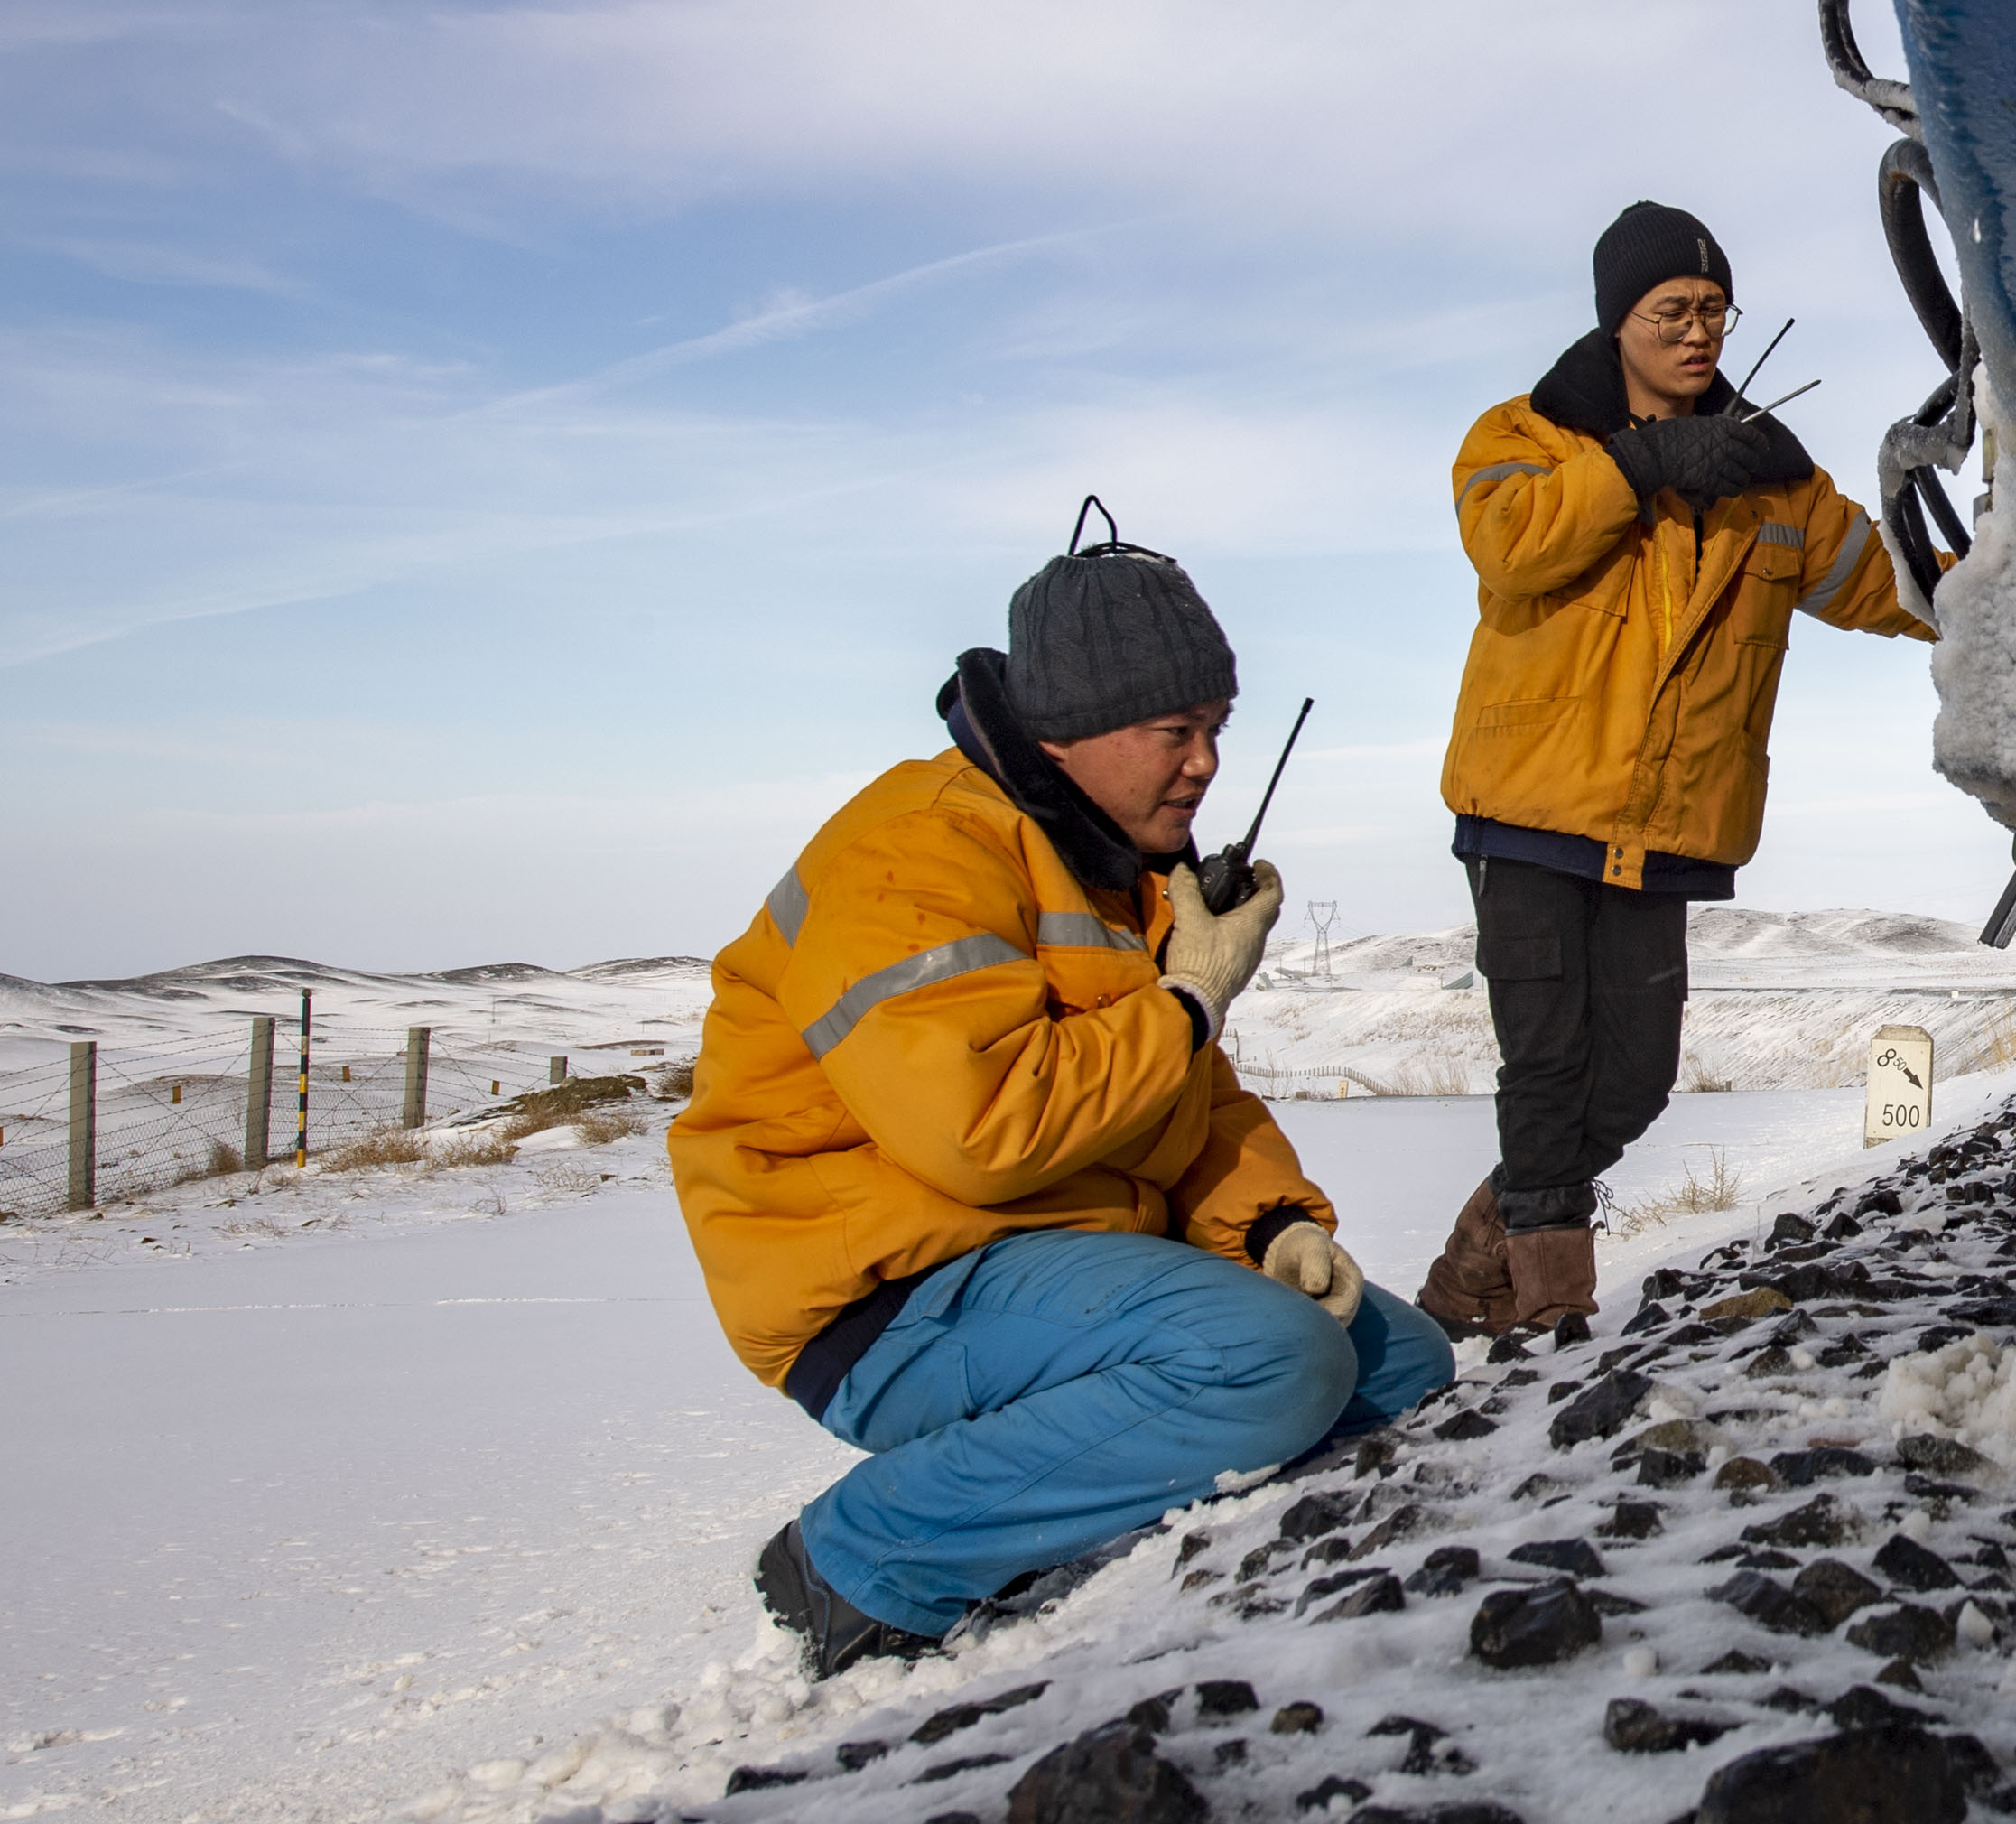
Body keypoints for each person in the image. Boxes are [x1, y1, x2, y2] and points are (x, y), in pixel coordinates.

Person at [673, 513, 1454, 1675]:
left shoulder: (1113, 869)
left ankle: (1111, 1525)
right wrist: (1187, 997)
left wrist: (1274, 1223)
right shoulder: (917, 851)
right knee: (1270, 1363)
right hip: (888, 1291)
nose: (1204, 763)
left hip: (1051, 1258)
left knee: (1398, 1363)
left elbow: (1185, 1099)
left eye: (1217, 728)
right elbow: (981, 1133)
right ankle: (862, 1558)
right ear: (1070, 732)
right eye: (1173, 730)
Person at [1415, 201, 1932, 1335]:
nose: (1699, 333)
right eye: (1671, 312)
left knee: (1636, 1082)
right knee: (1548, 1069)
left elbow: (1887, 581)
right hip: (1531, 813)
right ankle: (1548, 1319)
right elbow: (1514, 545)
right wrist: (1641, 462)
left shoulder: (1772, 479)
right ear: (1618, 322)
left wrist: (2009, 592)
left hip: (1670, 827)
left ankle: (1469, 1270)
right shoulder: (1522, 438)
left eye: (1713, 310)